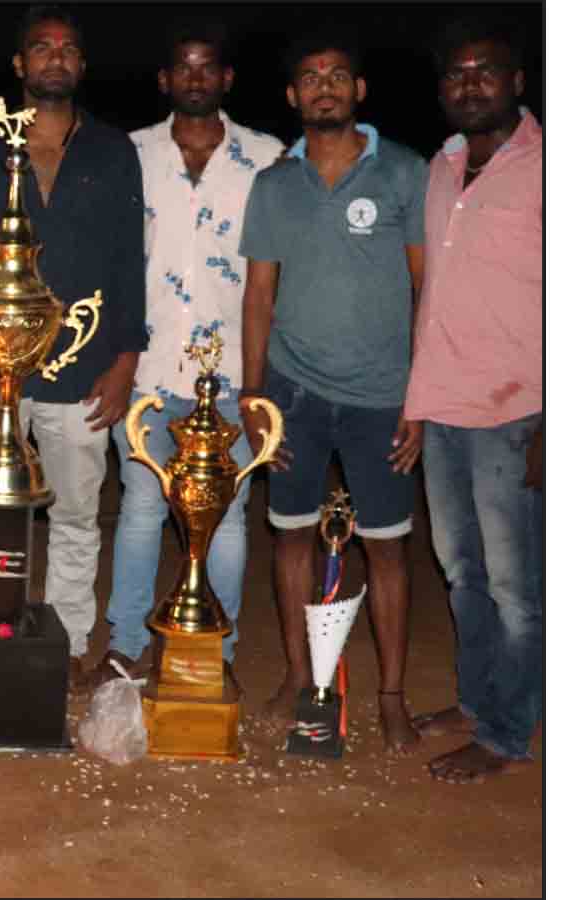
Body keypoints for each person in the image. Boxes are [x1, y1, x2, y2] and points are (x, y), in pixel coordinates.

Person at [0, 4, 145, 684]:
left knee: (77, 514)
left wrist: (125, 359)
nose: (55, 57)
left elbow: (128, 261)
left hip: (83, 365)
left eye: (67, 48)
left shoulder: (113, 150)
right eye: (41, 47)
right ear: (19, 63)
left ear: (81, 64)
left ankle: (68, 641)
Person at [238, 29, 427, 753]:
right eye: (311, 77)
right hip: (295, 392)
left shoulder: (402, 171)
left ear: (360, 90)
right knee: (290, 535)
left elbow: (426, 289)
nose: (325, 87)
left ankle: (392, 695)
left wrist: (421, 397)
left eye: (338, 75)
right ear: (293, 95)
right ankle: (299, 675)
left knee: (387, 549)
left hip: (383, 395)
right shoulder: (273, 184)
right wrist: (254, 398)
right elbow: (259, 296)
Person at [87, 22, 283, 689]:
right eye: (184, 68)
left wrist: (261, 382)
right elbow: (109, 262)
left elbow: (278, 276)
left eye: (208, 68)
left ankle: (214, 654)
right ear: (165, 80)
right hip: (146, 368)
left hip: (234, 375)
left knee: (227, 521)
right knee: (141, 509)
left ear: (227, 78)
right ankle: (125, 644)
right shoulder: (131, 153)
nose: (195, 79)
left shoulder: (268, 157)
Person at [403, 17, 543, 783]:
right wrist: (415, 401)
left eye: (484, 71)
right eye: (456, 74)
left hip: (518, 410)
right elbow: (431, 294)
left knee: (518, 588)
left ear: (516, 80)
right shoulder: (443, 164)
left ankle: (507, 732)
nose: (470, 85)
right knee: (463, 573)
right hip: (444, 403)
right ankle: (476, 699)